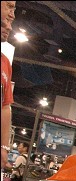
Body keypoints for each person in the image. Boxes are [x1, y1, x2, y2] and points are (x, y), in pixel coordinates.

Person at [1, 1, 16, 171]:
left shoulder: (5, 63)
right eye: (9, 6)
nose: (13, 14)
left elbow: (5, 107)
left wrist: (4, 148)